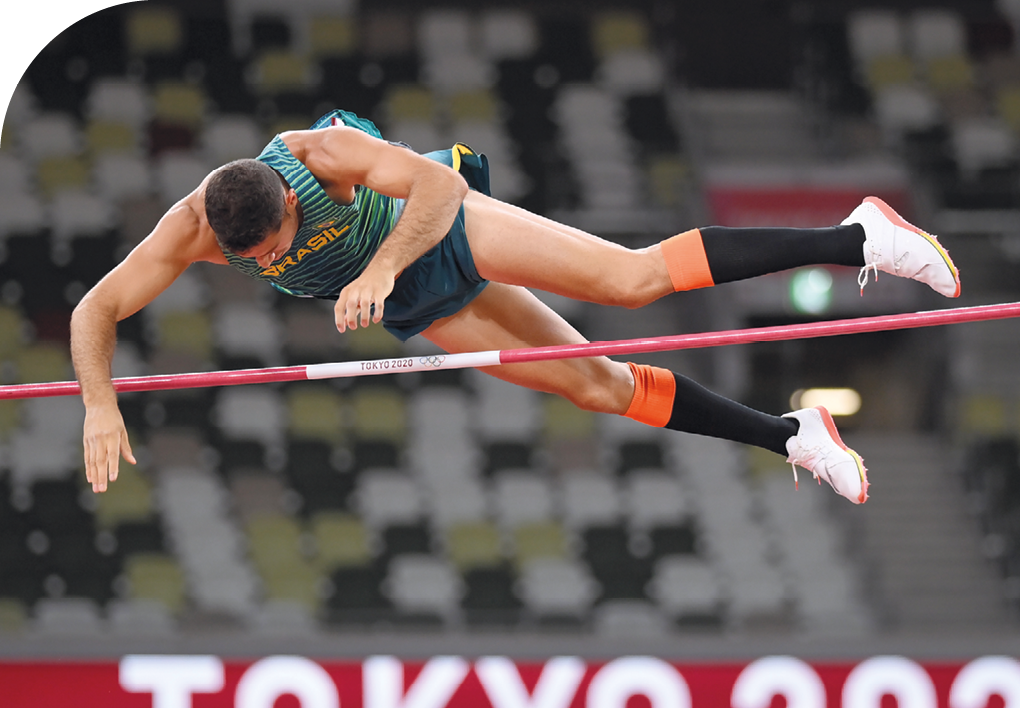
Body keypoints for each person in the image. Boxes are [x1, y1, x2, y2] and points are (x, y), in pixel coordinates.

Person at [71, 109, 961, 504]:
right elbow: (94, 311)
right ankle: (793, 435)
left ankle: (857, 239)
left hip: (433, 229)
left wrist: (379, 267)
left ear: (290, 198)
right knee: (600, 389)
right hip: (414, 301)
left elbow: (430, 180)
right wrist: (100, 405)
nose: (262, 264)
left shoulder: (321, 155)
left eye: (270, 246)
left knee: (630, 279)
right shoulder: (192, 227)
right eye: (251, 260)